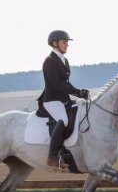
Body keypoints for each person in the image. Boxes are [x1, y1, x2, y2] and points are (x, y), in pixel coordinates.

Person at [36, 30, 89, 167]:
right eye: (64, 42)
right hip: (52, 100)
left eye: (67, 43)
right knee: (63, 120)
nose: (67, 45)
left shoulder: (64, 60)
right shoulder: (49, 61)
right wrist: (76, 91)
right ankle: (53, 156)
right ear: (55, 43)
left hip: (63, 98)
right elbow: (56, 84)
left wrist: (79, 93)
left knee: (82, 106)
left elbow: (65, 82)